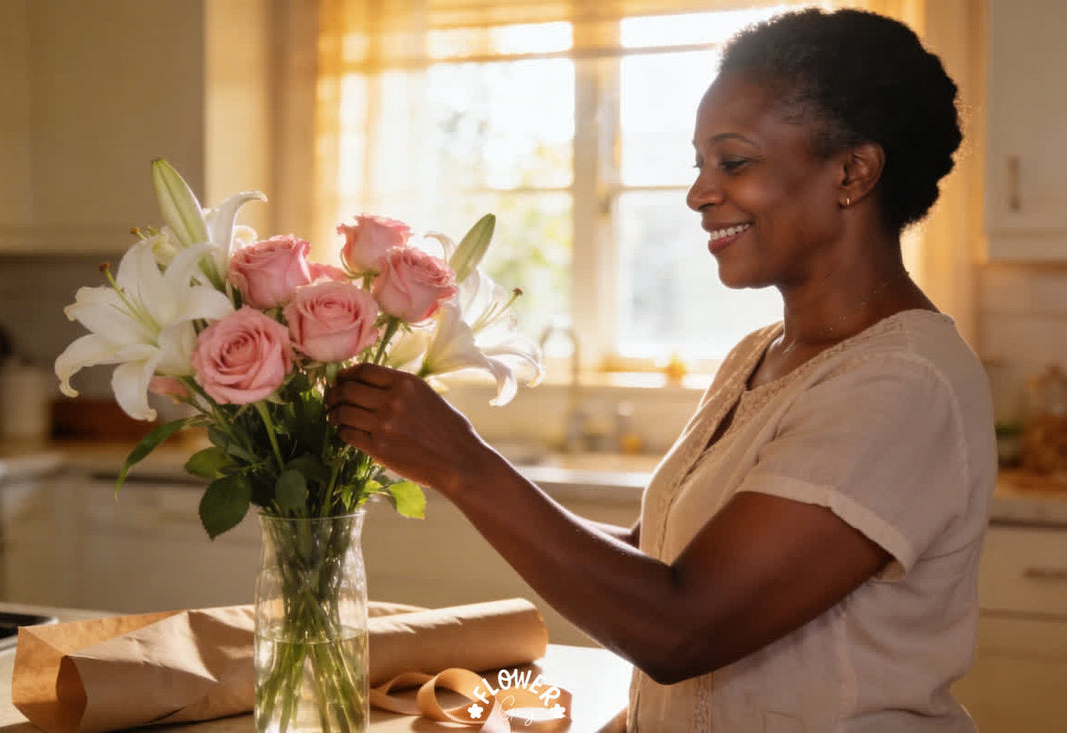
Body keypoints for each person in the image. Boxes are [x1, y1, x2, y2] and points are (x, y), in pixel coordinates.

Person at [326, 8, 996, 731]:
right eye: (699, 163)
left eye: (733, 162)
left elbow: (681, 627)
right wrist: (442, 464)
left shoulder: (902, 384)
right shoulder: (759, 357)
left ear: (852, 171)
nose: (699, 192)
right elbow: (656, 561)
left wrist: (466, 464)